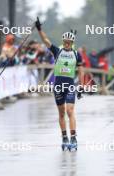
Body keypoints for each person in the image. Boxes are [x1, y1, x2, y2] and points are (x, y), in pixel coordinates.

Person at [35, 17, 84, 150]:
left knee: (70, 110)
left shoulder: (76, 54)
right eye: (65, 42)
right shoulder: (58, 51)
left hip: (69, 85)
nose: (67, 44)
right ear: (63, 42)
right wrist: (39, 29)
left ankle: (73, 137)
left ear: (72, 42)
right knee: (61, 113)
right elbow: (46, 41)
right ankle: (64, 137)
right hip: (58, 85)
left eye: (69, 42)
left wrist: (81, 86)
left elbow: (81, 71)